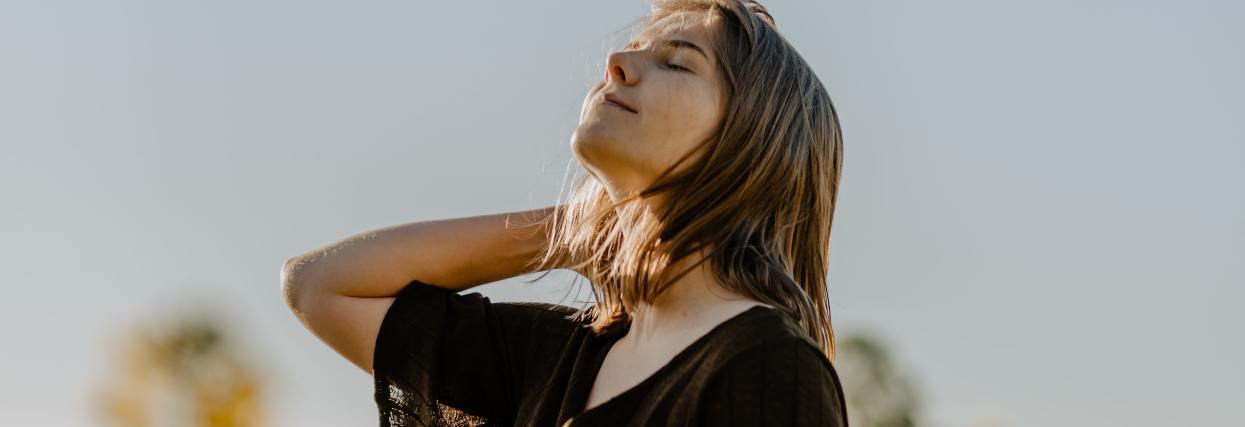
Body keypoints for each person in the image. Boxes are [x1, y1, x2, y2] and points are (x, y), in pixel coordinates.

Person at [281, 0, 847, 425]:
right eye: (636, 49)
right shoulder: (555, 354)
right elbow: (320, 285)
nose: (617, 62)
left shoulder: (771, 366)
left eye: (677, 64)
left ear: (751, 144)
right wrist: (578, 231)